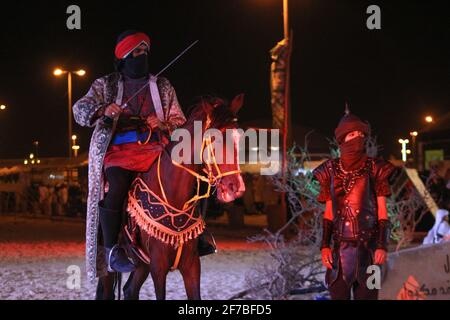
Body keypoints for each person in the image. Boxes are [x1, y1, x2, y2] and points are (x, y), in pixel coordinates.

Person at [73, 30, 214, 280]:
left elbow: (179, 121)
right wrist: (105, 109)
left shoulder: (162, 85)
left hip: (155, 150)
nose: (143, 55)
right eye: (137, 52)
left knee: (189, 176)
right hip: (119, 151)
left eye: (145, 51)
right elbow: (79, 110)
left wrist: (161, 124)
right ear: (125, 56)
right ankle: (112, 250)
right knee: (116, 185)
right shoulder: (105, 84)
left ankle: (199, 234)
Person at [313, 107, 396, 300]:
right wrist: (324, 245)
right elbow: (329, 213)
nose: (358, 138)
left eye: (361, 134)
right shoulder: (329, 170)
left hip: (370, 252)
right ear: (342, 139)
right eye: (352, 134)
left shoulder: (377, 168)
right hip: (339, 254)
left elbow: (382, 212)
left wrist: (382, 245)